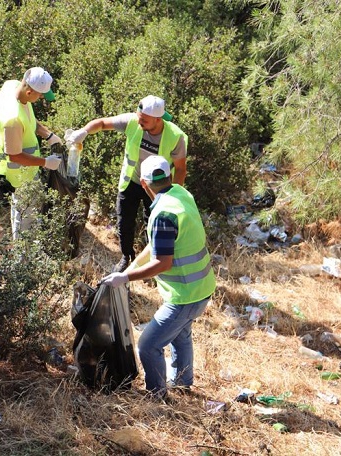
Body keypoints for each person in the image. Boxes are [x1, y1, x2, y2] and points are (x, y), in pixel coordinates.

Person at [100, 155, 216, 399]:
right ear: (170, 177)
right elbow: (156, 247)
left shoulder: (163, 216)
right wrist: (128, 269)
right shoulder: (182, 195)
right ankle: (182, 384)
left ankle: (157, 396)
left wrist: (125, 279)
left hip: (184, 296)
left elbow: (163, 262)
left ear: (143, 183)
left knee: (148, 345)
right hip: (201, 288)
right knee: (180, 334)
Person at [66, 95, 188, 272]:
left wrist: (173, 196)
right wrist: (83, 132)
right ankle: (126, 257)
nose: (140, 123)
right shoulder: (133, 121)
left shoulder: (176, 137)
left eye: (144, 121)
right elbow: (101, 123)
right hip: (131, 181)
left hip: (156, 187)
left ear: (158, 119)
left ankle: (152, 261)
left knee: (153, 224)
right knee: (124, 222)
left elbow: (181, 169)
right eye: (139, 117)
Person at [0, 67, 63, 238]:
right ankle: (22, 256)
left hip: (29, 168)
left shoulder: (12, 86)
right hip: (19, 174)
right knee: (23, 213)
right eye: (40, 96)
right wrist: (45, 162)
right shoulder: (13, 119)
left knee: (28, 210)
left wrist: (48, 135)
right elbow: (14, 155)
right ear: (29, 92)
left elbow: (29, 116)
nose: (41, 99)